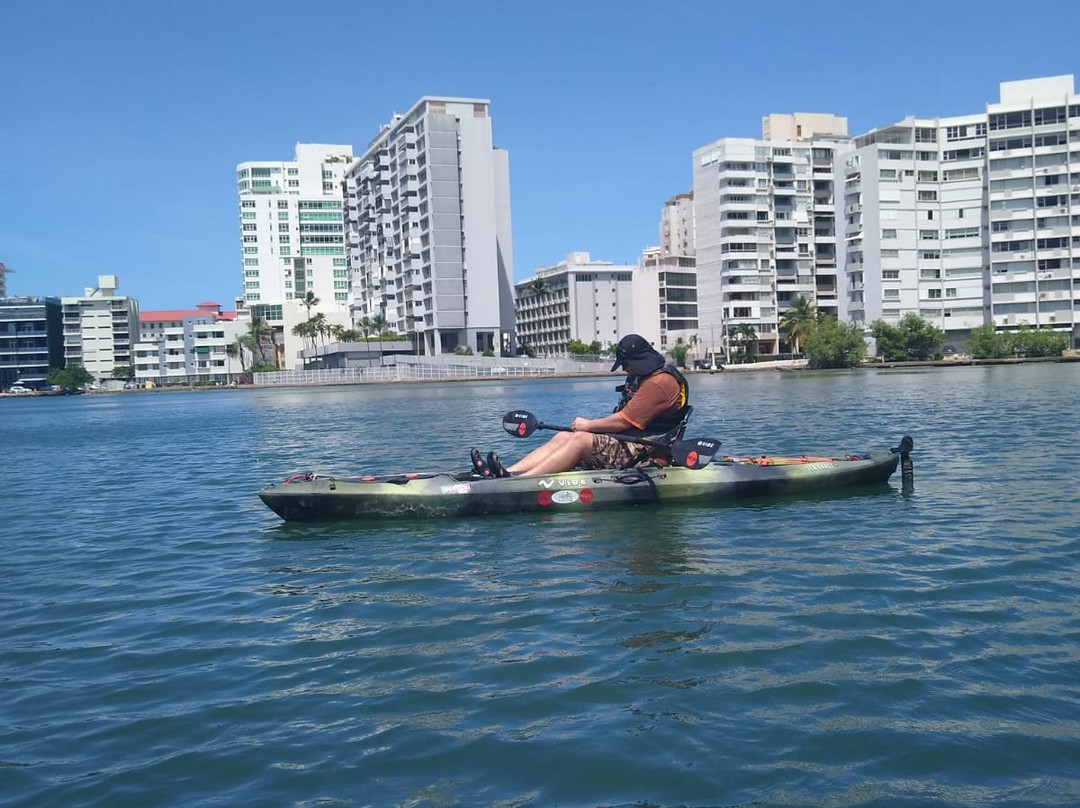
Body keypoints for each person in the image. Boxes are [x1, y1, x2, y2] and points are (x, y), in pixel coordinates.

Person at [470, 334, 690, 477]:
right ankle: (509, 472)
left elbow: (623, 421)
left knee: (580, 439)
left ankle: (521, 482)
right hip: (628, 442)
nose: (625, 370)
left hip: (644, 450)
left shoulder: (659, 383)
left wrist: (588, 425)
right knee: (563, 436)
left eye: (626, 364)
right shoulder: (644, 376)